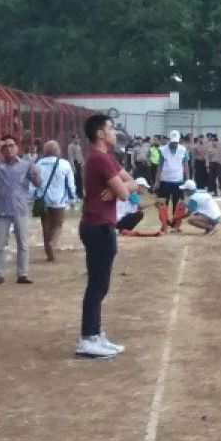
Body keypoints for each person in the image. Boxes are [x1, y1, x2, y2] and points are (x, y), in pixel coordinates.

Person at [78, 114, 133, 358]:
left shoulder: (106, 159)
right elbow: (124, 193)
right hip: (98, 226)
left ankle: (95, 332)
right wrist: (118, 187)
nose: (113, 132)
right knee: (97, 285)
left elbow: (130, 183)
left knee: (100, 284)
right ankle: (88, 338)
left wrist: (118, 187)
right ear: (100, 134)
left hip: (101, 225)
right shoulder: (99, 159)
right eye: (110, 128)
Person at [0, 135, 41, 285]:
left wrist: (36, 175)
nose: (9, 149)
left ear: (17, 147)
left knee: (23, 243)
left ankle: (23, 274)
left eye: (11, 145)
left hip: (20, 208)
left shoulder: (26, 164)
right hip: (1, 209)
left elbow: (38, 182)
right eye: (5, 147)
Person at [34, 140, 76, 262]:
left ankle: (48, 251)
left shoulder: (39, 164)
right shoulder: (64, 164)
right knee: (58, 224)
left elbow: (34, 182)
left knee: (45, 225)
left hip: (43, 199)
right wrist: (72, 197)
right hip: (59, 200)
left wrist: (33, 196)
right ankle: (53, 243)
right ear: (58, 151)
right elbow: (70, 183)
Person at [153, 130, 189, 233]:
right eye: (173, 142)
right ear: (169, 141)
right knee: (162, 204)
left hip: (178, 181)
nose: (174, 144)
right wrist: (157, 180)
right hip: (165, 180)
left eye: (176, 142)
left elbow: (186, 166)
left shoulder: (183, 150)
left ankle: (176, 224)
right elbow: (159, 166)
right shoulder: (163, 150)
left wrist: (187, 180)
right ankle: (164, 224)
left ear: (179, 141)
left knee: (178, 204)